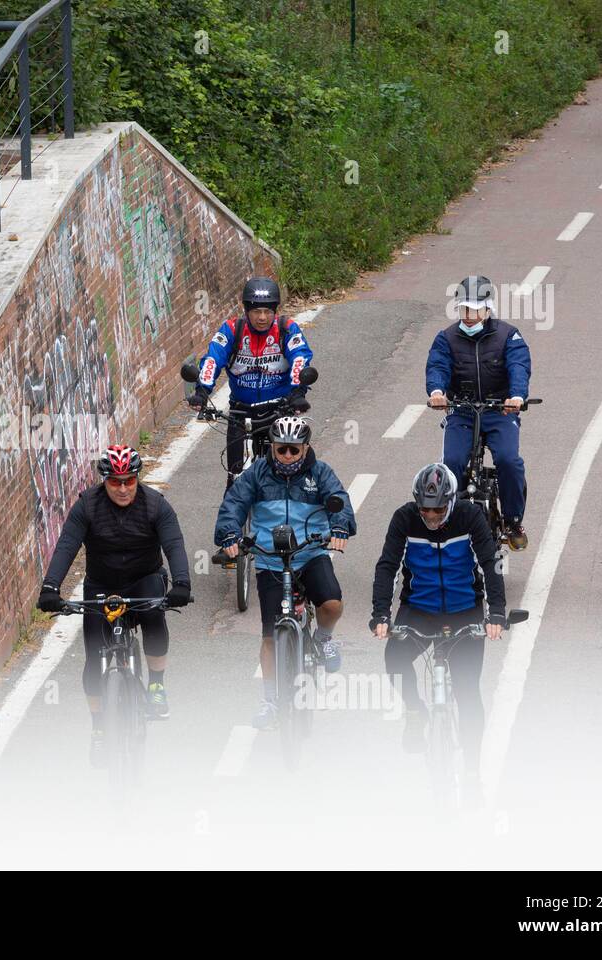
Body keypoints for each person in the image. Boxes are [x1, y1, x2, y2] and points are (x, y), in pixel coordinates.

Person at [37, 445, 193, 766]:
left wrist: (181, 584)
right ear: (104, 481)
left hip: (143, 578)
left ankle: (157, 686)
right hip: (102, 585)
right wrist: (51, 587)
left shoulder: (155, 505)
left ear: (137, 478)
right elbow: (67, 545)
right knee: (94, 655)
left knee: (153, 615)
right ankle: (98, 730)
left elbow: (174, 543)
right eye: (115, 482)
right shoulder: (87, 507)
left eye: (129, 481)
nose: (123, 489)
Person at [370, 463, 508, 807]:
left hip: (465, 611)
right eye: (425, 509)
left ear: (450, 501)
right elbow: (387, 566)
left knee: (467, 692)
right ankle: (416, 712)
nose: (430, 516)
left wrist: (497, 615)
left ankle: (474, 773)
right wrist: (381, 615)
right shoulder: (404, 519)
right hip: (420, 609)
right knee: (394, 660)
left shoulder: (470, 517)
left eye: (437, 509)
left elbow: (491, 563)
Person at [214, 416, 355, 730]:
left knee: (331, 604)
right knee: (269, 635)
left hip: (310, 553)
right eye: (282, 450)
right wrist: (228, 534)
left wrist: (340, 527)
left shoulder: (321, 473)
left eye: (294, 450)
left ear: (305, 448)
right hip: (270, 560)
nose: (288, 456)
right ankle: (270, 700)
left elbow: (340, 501)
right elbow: (234, 503)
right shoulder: (257, 475)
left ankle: (324, 637)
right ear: (273, 448)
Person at [426, 275, 532, 550]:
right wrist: (437, 392)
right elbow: (437, 367)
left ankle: (513, 520)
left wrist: (517, 396)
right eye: (463, 308)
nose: (468, 315)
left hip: (500, 410)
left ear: (488, 309)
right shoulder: (446, 338)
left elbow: (518, 366)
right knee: (452, 462)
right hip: (461, 410)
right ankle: (450, 520)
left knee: (509, 461)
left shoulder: (508, 335)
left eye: (474, 309)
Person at [188, 277, 313, 489]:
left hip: (280, 409)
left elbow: (299, 358)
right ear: (246, 311)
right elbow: (213, 359)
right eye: (256, 312)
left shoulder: (287, 329)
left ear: (275, 311)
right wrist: (201, 390)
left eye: (267, 311)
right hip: (240, 413)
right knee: (234, 480)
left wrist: (298, 392)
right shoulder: (231, 330)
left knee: (298, 471)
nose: (262, 317)